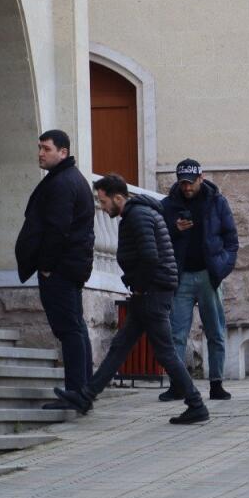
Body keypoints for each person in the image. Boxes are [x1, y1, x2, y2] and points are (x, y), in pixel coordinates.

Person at [52, 175, 210, 425]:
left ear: (118, 197)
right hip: (151, 290)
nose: (102, 208)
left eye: (104, 202)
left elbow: (149, 257)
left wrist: (138, 287)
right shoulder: (138, 214)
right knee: (120, 347)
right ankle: (86, 396)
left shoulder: (137, 216)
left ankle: (196, 404)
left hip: (152, 292)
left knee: (165, 351)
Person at [15, 130, 95, 407]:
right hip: (69, 266)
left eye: (46, 148)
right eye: (39, 147)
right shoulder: (67, 178)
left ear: (63, 152)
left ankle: (77, 392)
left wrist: (47, 266)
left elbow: (58, 229)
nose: (40, 153)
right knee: (75, 327)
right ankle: (83, 390)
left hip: (61, 268)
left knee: (69, 329)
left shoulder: (63, 182)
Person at [161, 159, 239, 402]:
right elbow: (158, 236)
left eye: (191, 182)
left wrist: (221, 268)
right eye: (182, 183)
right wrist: (175, 229)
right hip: (181, 276)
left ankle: (216, 384)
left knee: (215, 331)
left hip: (208, 275)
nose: (186, 188)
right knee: (177, 334)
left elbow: (231, 240)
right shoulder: (168, 206)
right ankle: (178, 385)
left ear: (201, 178)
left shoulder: (217, 202)